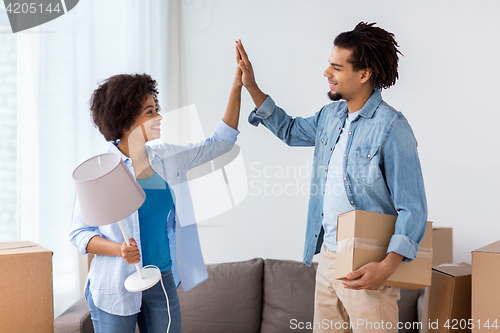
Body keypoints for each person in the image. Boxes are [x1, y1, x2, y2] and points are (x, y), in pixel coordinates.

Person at [237, 22, 427, 332]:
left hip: (368, 263)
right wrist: (252, 86)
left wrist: (387, 266)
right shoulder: (331, 116)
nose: (327, 72)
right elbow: (289, 130)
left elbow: (413, 206)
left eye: (336, 67)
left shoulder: (392, 127)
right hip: (328, 259)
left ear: (364, 74)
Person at [69, 42, 244, 333]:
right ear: (126, 120)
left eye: (156, 109)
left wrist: (237, 86)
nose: (159, 117)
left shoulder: (168, 159)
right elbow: (79, 234)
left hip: (160, 279)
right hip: (114, 286)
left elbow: (221, 143)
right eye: (150, 112)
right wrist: (117, 249)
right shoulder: (101, 171)